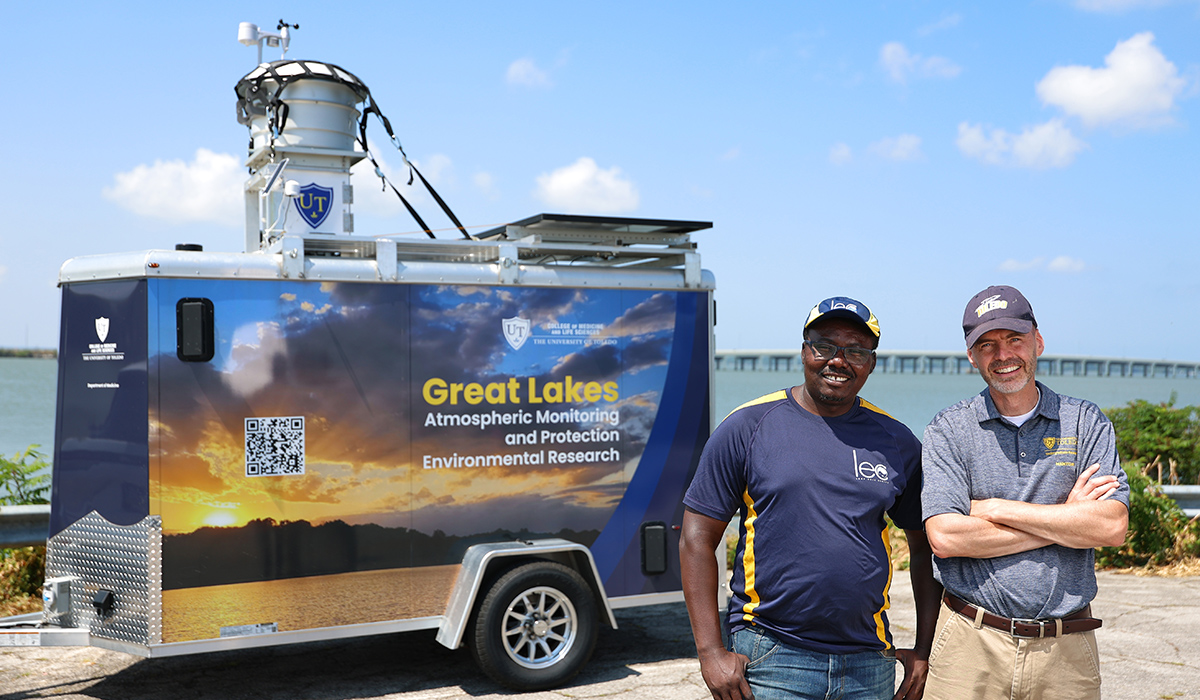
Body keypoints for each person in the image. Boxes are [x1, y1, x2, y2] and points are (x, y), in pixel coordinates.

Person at [680, 296, 942, 700]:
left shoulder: (897, 441)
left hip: (868, 662)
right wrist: (710, 652)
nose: (839, 361)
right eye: (824, 346)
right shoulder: (748, 426)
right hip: (771, 656)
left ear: (871, 363)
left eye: (856, 351)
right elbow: (697, 536)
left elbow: (924, 547)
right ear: (804, 351)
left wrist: (924, 649)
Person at [921, 285, 1130, 699]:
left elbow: (1110, 528)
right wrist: (1066, 518)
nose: (1003, 355)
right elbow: (945, 537)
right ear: (971, 356)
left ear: (1038, 341)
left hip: (1066, 647)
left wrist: (994, 508)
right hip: (969, 643)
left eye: (1014, 339)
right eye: (987, 345)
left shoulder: (1085, 422)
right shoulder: (948, 429)